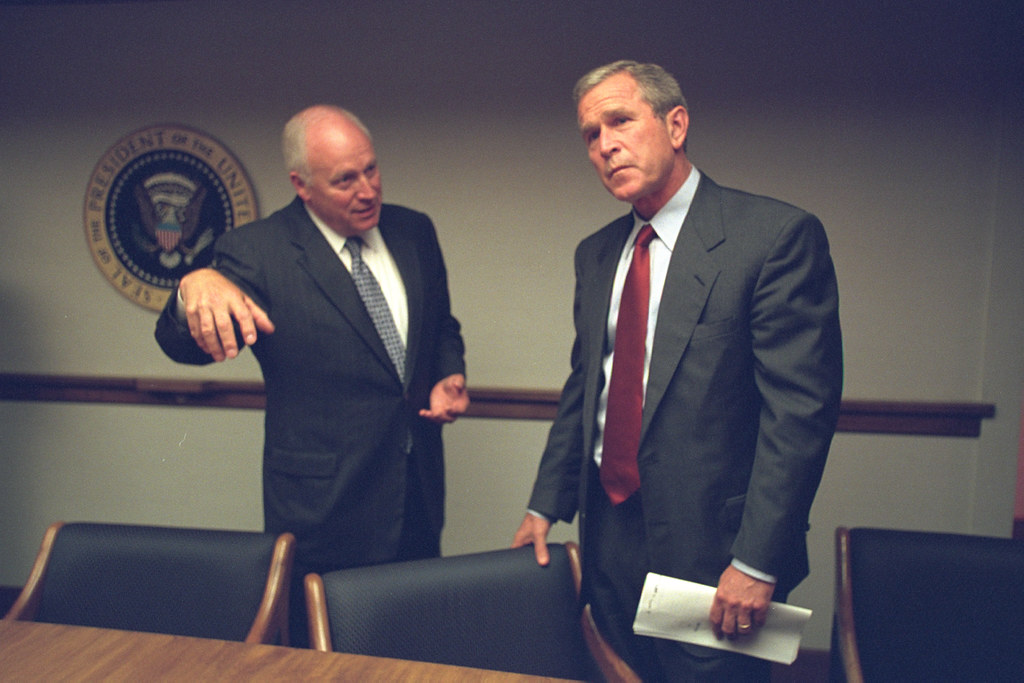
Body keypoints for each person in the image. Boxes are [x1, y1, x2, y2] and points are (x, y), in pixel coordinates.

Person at [512, 61, 843, 680]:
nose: (605, 144)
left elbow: (798, 416)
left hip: (718, 558)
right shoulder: (597, 254)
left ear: (676, 125)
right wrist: (544, 506)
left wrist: (758, 562)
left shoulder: (772, 238)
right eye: (590, 135)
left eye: (620, 121)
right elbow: (589, 387)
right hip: (609, 539)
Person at [155, 105, 469, 644]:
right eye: (345, 180)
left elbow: (440, 325)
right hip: (322, 509)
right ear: (301, 185)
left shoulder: (414, 230)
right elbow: (183, 346)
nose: (367, 190)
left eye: (370, 170)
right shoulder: (258, 251)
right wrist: (192, 286)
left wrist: (448, 373)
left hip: (416, 493)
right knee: (319, 657)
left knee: (413, 649)